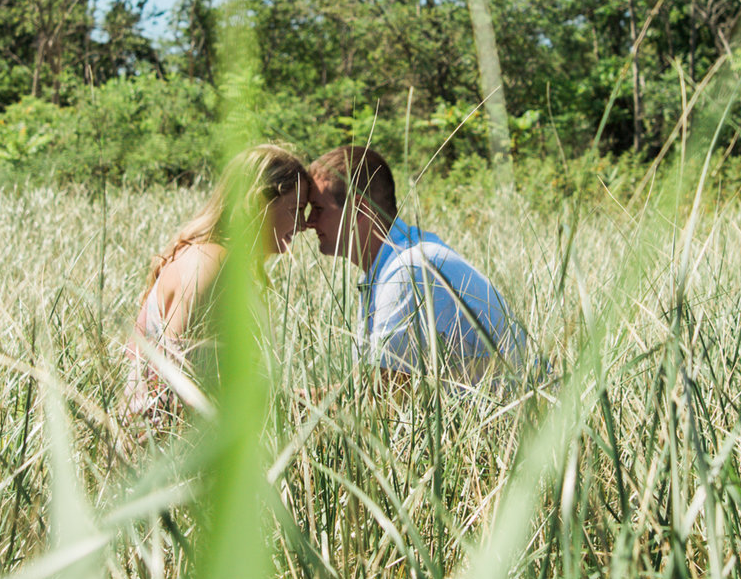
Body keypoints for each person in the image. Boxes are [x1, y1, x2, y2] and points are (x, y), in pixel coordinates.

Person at [307, 143, 529, 386]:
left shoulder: (407, 270)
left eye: (318, 209)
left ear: (360, 208)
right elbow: (375, 390)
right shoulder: (392, 262)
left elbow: (384, 400)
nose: (309, 222)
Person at [125, 143, 314, 416]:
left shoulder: (226, 265)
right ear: (258, 202)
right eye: (296, 209)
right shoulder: (208, 263)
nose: (303, 224)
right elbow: (179, 389)